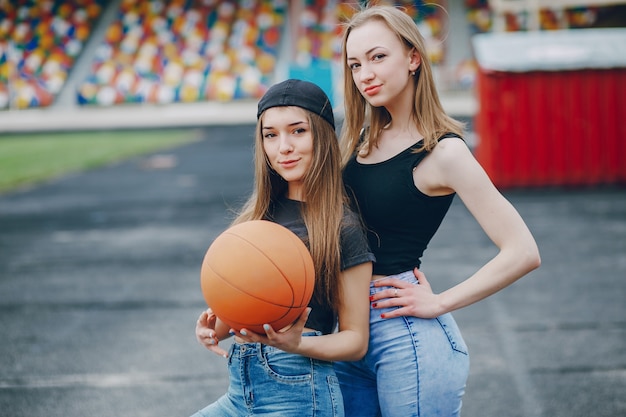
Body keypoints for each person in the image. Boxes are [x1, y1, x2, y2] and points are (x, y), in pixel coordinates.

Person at [333, 5, 541, 417]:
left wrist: (441, 302)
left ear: (413, 58)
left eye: (378, 57)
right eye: (355, 64)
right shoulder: (357, 143)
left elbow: (523, 251)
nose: (365, 75)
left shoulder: (445, 152)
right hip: (346, 332)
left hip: (404, 335)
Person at [190, 79, 375, 417]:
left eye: (297, 131)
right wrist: (213, 327)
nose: (283, 147)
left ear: (322, 135)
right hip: (241, 390)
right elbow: (246, 313)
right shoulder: (256, 220)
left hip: (299, 393)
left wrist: (298, 344)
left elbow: (355, 340)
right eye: (271, 135)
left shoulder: (341, 228)